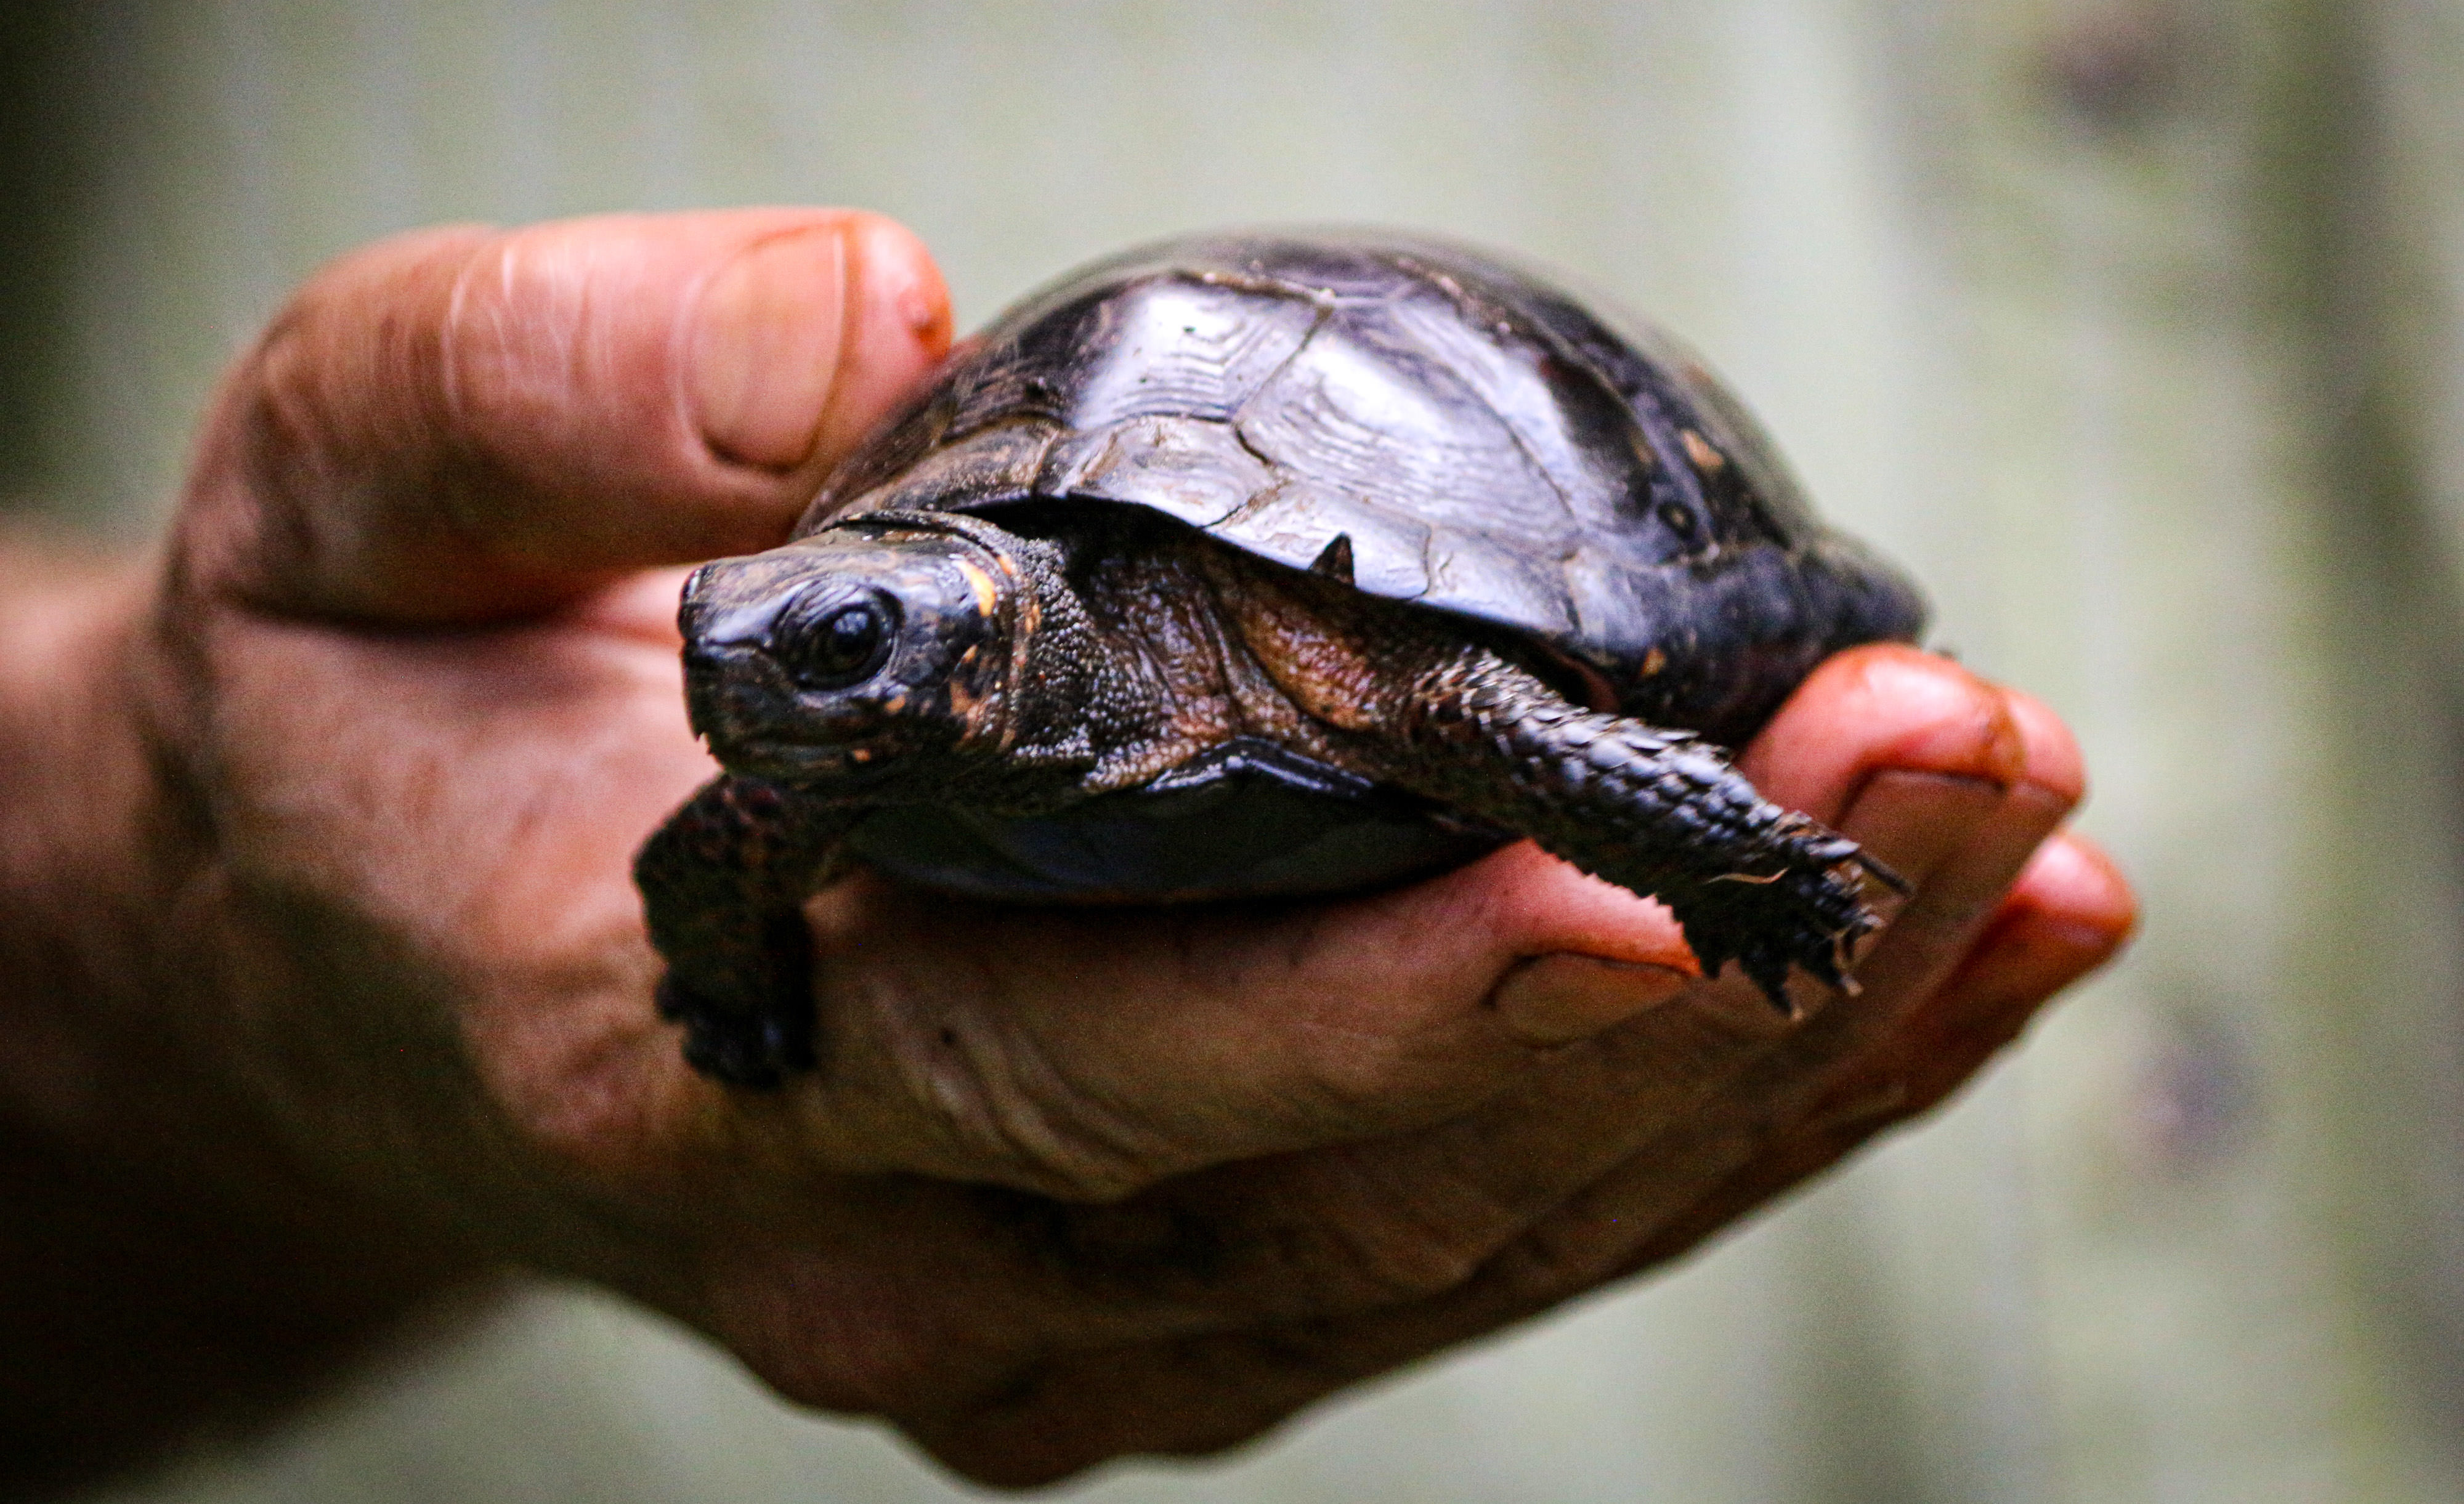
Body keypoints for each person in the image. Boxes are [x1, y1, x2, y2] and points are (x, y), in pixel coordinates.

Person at [0, 208, 2133, 1498]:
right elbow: (704, 863)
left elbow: (1483, 708)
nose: (770, 701)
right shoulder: (831, 767)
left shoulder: (1328, 646)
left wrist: (1746, 863)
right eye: (741, 651)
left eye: (838, 645)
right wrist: (715, 997)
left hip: (1520, 522)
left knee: (1514, 734)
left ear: (1001, 629)